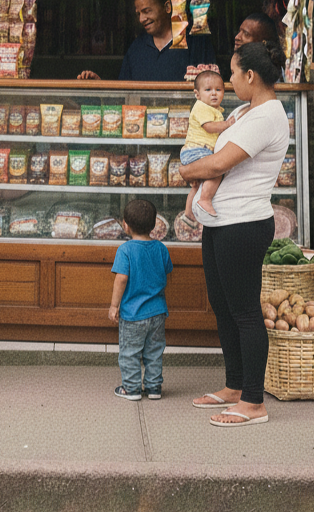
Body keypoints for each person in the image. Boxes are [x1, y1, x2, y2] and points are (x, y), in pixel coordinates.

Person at [179, 41, 289, 427]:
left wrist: (186, 171)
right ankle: (234, 386)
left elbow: (218, 163)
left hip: (243, 224)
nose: (229, 80)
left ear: (251, 76)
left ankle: (254, 402)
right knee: (223, 306)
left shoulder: (267, 117)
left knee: (244, 311)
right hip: (221, 222)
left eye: (233, 73)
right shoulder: (244, 111)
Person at [109, 199, 173, 401]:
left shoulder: (125, 250)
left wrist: (114, 305)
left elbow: (121, 279)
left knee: (130, 352)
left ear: (125, 225)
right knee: (154, 352)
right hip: (157, 312)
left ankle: (131, 388)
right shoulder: (161, 248)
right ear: (154, 225)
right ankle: (154, 388)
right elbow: (166, 274)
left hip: (133, 314)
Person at [77, 0, 216, 81]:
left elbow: (212, 88)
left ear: (167, 7)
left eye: (147, 11)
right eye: (138, 14)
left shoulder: (196, 41)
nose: (141, 19)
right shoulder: (136, 48)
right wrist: (100, 86)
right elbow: (123, 93)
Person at [180, 70, 235, 224]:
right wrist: (227, 124)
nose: (214, 93)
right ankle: (205, 199)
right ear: (197, 94)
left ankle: (188, 214)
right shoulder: (201, 107)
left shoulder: (213, 109)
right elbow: (209, 127)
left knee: (196, 186)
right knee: (216, 172)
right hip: (197, 150)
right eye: (208, 90)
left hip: (197, 151)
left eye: (218, 89)